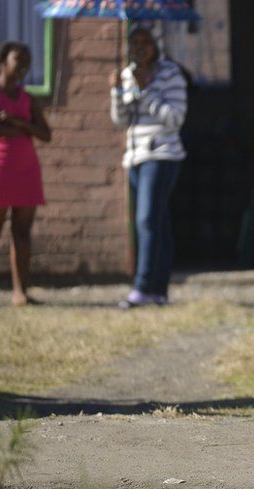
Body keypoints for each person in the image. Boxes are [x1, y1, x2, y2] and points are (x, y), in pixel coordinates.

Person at [109, 26, 187, 308]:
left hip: (162, 155)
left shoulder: (171, 74)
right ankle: (159, 291)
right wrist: (118, 90)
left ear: (156, 45)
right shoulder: (128, 73)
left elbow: (175, 118)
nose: (139, 49)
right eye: (134, 43)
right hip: (135, 156)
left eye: (145, 43)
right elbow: (121, 120)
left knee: (145, 219)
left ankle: (142, 287)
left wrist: (147, 91)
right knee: (158, 222)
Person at [0, 42, 52, 307]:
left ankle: (21, 292)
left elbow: (47, 135)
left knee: (22, 232)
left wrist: (19, 122)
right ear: (3, 60)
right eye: (18, 59)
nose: (23, 65)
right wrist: (29, 129)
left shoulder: (29, 98)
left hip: (26, 168)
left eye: (27, 61)